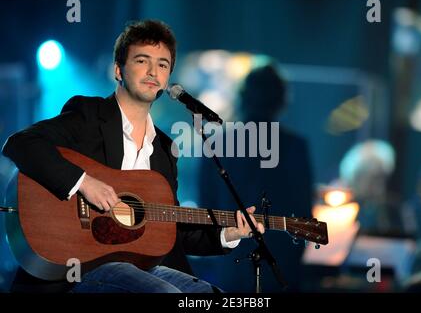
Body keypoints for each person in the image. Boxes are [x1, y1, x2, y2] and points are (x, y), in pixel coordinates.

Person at [1, 19, 265, 293]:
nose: (153, 71)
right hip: (81, 268)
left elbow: (171, 227)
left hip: (142, 269)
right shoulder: (89, 115)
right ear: (118, 69)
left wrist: (228, 233)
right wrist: (84, 183)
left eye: (162, 65)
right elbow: (21, 143)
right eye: (142, 61)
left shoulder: (164, 148)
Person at [197, 63, 314, 292]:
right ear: (281, 100)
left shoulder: (216, 144)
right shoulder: (295, 147)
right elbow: (304, 215)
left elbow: (205, 212)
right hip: (281, 270)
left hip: (230, 269)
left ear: (242, 97)